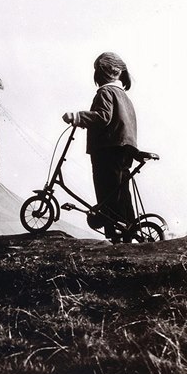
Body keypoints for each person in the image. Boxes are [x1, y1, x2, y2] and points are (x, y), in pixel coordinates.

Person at [62, 52, 138, 243]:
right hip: (125, 147)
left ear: (101, 73)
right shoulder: (123, 96)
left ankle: (114, 235)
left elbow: (103, 116)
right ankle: (128, 229)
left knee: (106, 191)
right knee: (121, 191)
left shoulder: (105, 93)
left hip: (107, 147)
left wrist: (78, 117)